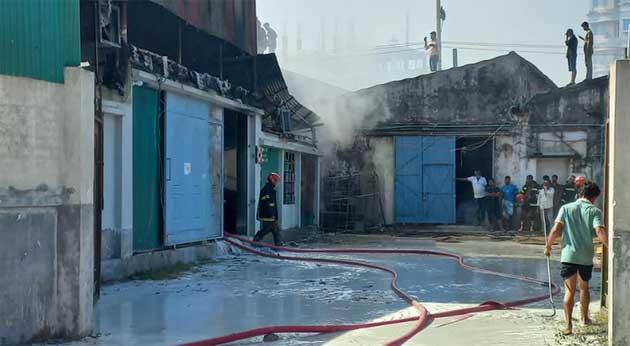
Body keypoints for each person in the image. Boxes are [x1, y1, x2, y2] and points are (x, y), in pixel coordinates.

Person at [544, 182, 608, 336]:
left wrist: (548, 247)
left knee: (569, 291)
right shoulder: (594, 211)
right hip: (585, 256)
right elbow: (599, 230)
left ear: (580, 194)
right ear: (594, 197)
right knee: (584, 288)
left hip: (568, 256)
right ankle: (584, 318)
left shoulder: (566, 208)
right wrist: (610, 247)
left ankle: (568, 325)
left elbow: (555, 229)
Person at [254, 172, 281, 245]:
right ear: (272, 180)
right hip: (268, 216)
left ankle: (278, 246)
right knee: (269, 229)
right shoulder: (267, 190)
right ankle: (256, 239)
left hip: (270, 215)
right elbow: (268, 204)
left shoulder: (270, 189)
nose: (276, 182)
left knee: (275, 230)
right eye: (275, 180)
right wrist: (272, 214)